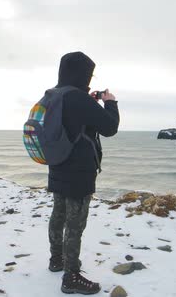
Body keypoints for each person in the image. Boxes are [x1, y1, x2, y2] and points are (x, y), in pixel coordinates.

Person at [47, 52, 120, 294]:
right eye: (89, 74)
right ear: (83, 74)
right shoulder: (78, 98)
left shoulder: (54, 94)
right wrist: (110, 102)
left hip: (57, 164)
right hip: (78, 171)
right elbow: (109, 127)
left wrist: (89, 103)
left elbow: (74, 123)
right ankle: (71, 277)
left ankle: (56, 260)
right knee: (75, 224)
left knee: (58, 215)